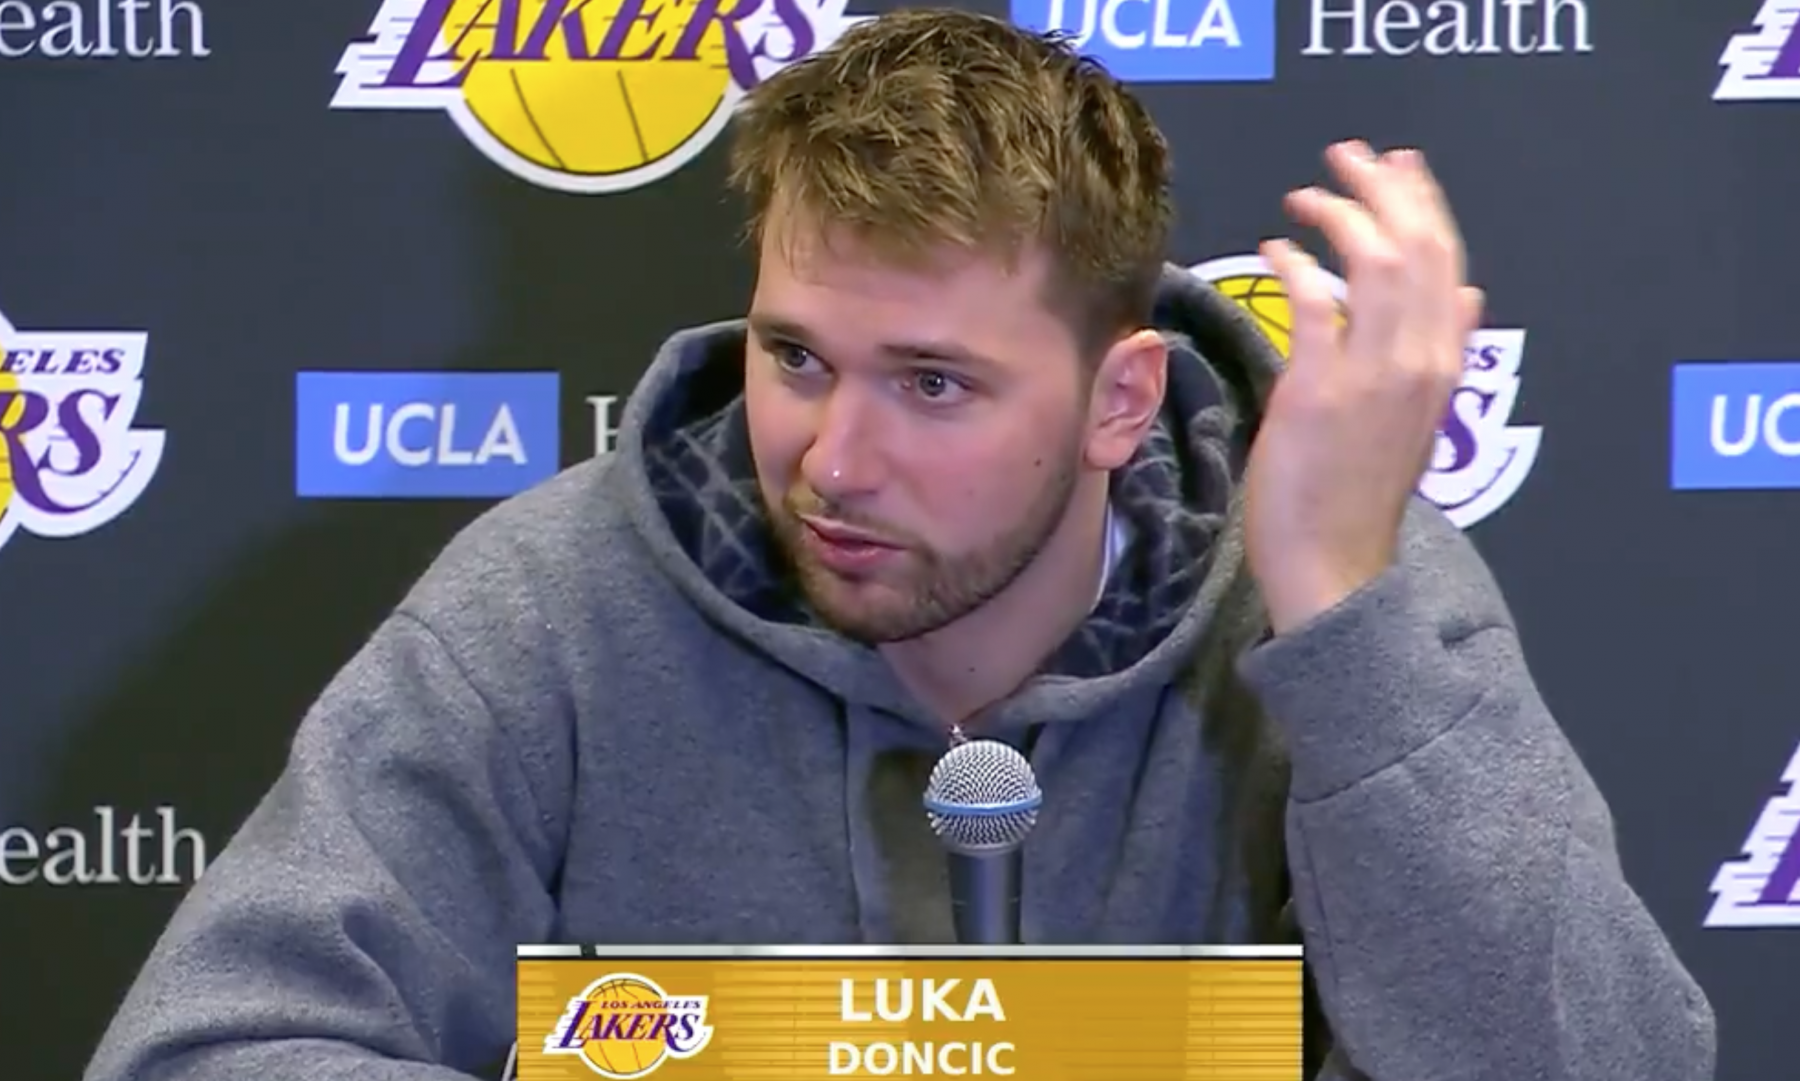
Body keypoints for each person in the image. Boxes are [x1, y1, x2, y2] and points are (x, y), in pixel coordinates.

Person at [84, 8, 1713, 1081]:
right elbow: (209, 1050)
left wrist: (1343, 620)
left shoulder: (1348, 590)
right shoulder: (554, 600)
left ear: (1119, 399)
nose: (833, 461)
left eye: (934, 384)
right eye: (796, 356)